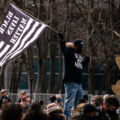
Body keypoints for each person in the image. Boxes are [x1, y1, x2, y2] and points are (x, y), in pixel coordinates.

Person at [58, 33, 90, 120]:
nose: (80, 49)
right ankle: (66, 118)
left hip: (79, 82)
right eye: (79, 47)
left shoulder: (79, 55)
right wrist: (62, 41)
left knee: (78, 102)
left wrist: (86, 62)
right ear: (75, 46)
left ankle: (76, 117)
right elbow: (63, 50)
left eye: (81, 47)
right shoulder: (70, 51)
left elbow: (79, 67)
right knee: (69, 102)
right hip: (71, 81)